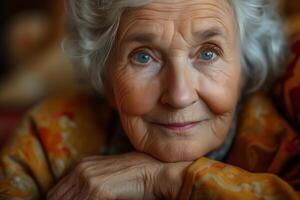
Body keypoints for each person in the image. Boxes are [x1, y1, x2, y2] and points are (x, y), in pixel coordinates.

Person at [1, 0, 299, 199]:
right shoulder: (51, 138)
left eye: (208, 53)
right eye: (143, 57)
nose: (180, 95)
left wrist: (165, 178)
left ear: (245, 69)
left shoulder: (280, 151)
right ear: (106, 78)